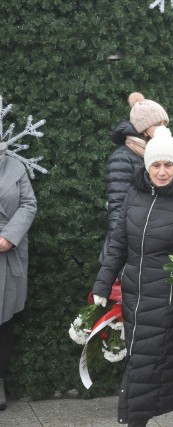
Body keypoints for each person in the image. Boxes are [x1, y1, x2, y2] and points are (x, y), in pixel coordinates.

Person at [92, 127, 173, 427]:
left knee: (145, 364)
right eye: (155, 164)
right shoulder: (135, 193)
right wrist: (102, 284)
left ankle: (134, 419)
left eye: (167, 165)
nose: (161, 171)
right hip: (135, 296)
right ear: (146, 166)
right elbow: (119, 242)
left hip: (171, 300)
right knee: (156, 362)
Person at [101, 93, 167, 263]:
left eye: (165, 124)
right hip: (131, 248)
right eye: (157, 124)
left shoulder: (160, 154)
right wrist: (120, 250)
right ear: (143, 128)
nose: (164, 129)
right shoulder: (122, 157)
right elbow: (118, 205)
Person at [0, 142, 37, 411]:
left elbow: (28, 204)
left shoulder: (15, 167)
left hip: (6, 252)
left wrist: (8, 237)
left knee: (3, 321)